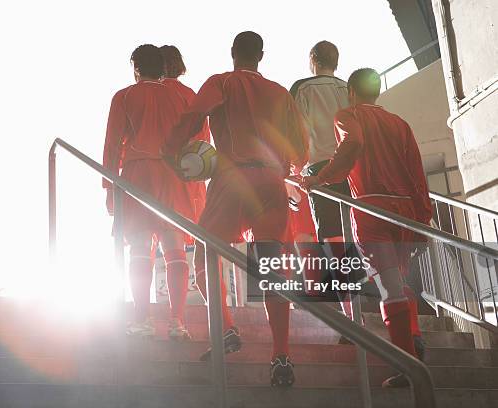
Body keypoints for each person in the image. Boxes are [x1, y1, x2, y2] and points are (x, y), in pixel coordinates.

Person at [163, 31, 308, 387]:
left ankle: (226, 328)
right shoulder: (279, 92)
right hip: (272, 184)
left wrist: (171, 150)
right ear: (262, 55)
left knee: (205, 254)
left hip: (232, 179)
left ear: (233, 53)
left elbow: (194, 117)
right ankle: (281, 355)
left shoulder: (222, 83)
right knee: (273, 266)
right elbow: (301, 149)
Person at [302, 68, 432, 388]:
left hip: (371, 208)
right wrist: (422, 219)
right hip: (403, 210)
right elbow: (418, 174)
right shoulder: (400, 124)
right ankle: (412, 336)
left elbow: (353, 143)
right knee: (398, 280)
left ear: (350, 92)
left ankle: (407, 364)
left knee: (388, 285)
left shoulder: (348, 115)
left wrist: (321, 177)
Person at [103, 44, 197, 341]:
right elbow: (198, 141)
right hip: (175, 175)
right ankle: (177, 322)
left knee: (141, 248)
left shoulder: (126, 96)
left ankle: (142, 319)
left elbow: (113, 143)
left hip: (138, 175)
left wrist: (109, 186)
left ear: (136, 68)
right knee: (175, 248)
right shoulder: (183, 95)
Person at [289, 41, 354, 323]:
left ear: (312, 59)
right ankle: (354, 309)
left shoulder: (302, 88)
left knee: (332, 240)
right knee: (353, 237)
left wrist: (297, 166)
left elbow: (294, 128)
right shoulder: (348, 89)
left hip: (318, 169)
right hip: (351, 170)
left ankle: (350, 315)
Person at [159, 45, 211, 224]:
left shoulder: (152, 93)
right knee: (192, 231)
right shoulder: (190, 95)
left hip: (159, 170)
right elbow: (204, 139)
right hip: (190, 169)